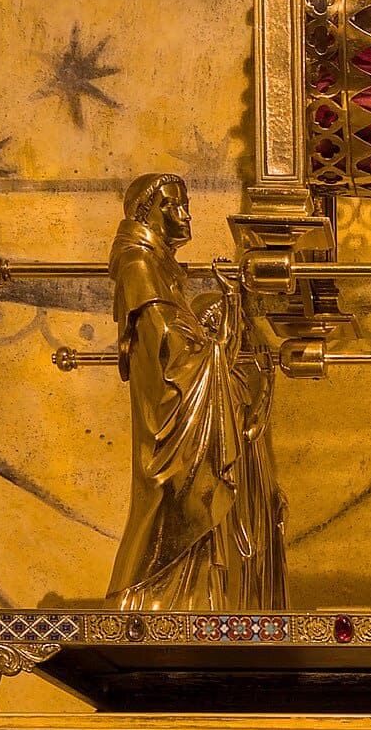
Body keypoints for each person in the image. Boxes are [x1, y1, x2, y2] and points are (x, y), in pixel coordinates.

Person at [103, 173, 287, 611]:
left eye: (186, 206)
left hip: (190, 402)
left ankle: (191, 603)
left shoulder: (161, 270)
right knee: (171, 496)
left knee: (196, 502)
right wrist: (216, 351)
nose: (184, 216)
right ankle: (143, 603)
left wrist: (228, 328)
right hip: (176, 415)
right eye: (174, 206)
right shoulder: (138, 265)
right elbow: (168, 344)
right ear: (147, 212)